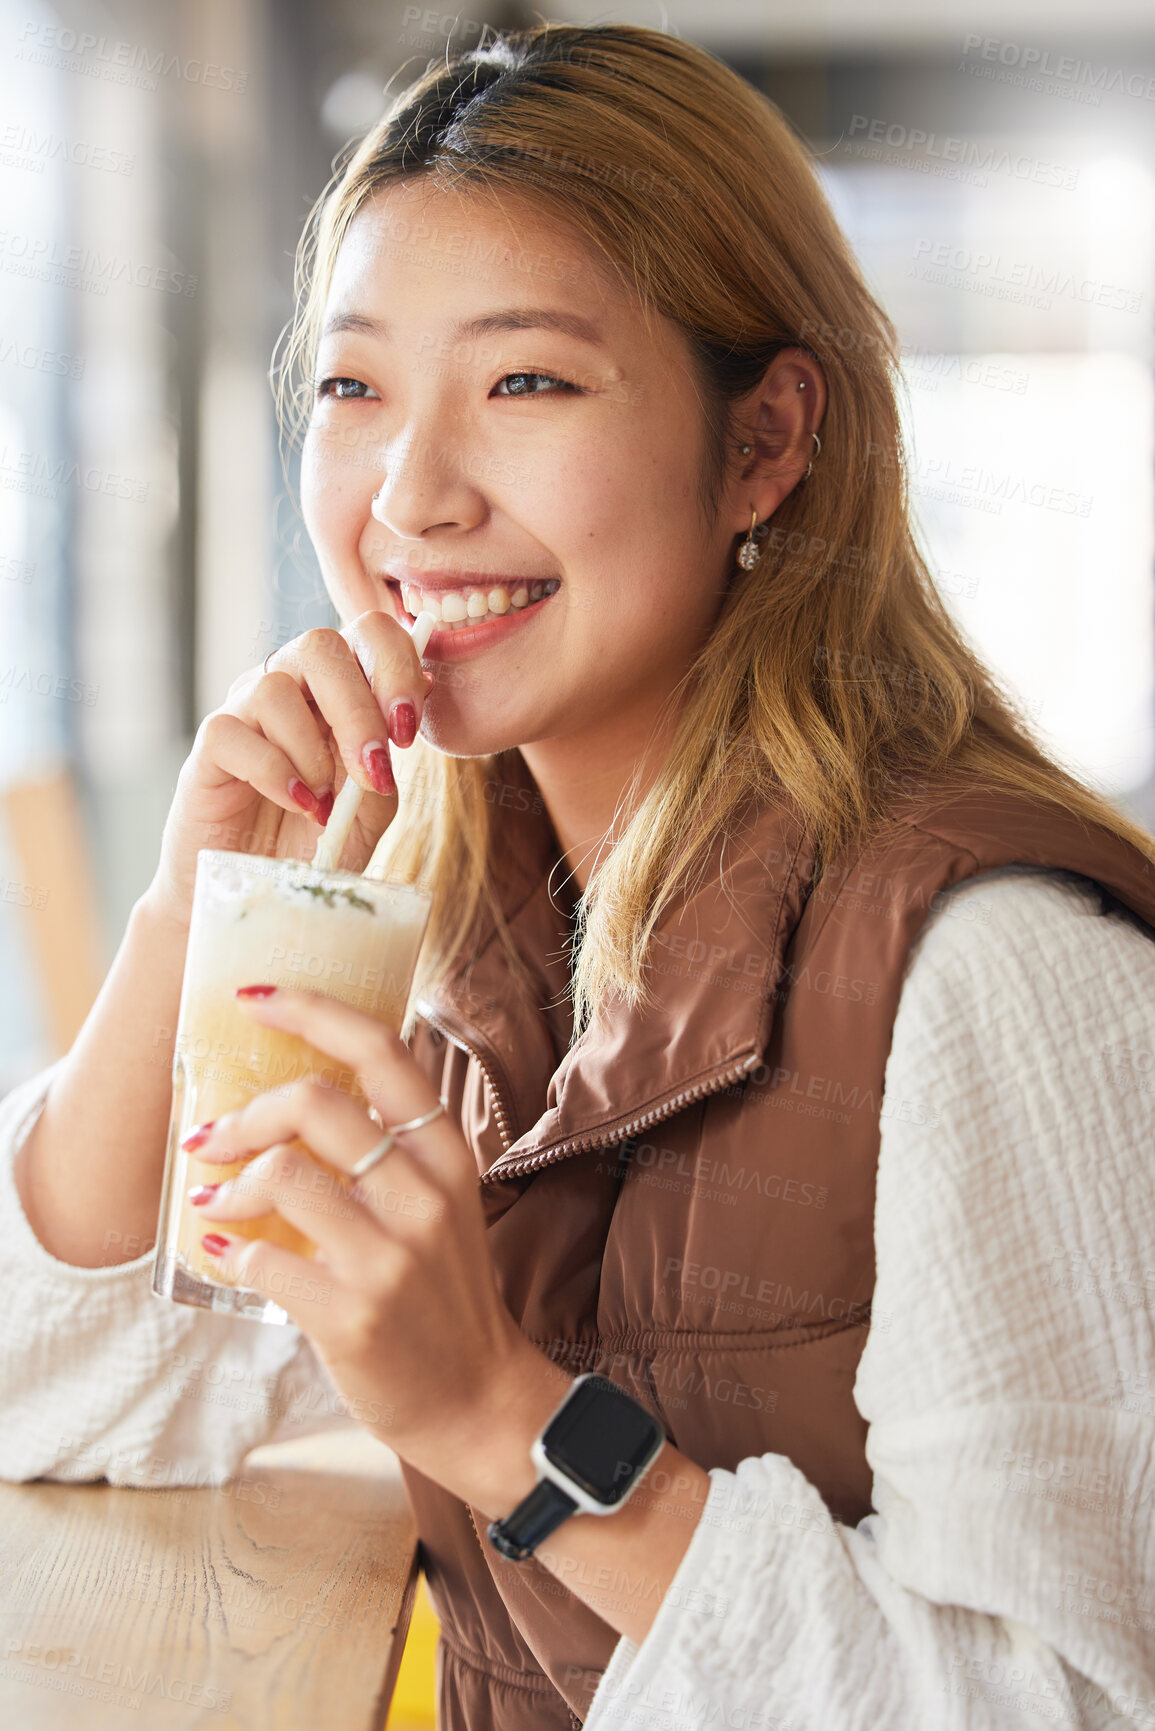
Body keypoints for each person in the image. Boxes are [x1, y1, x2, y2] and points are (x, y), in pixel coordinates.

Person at [2, 21, 1154, 1729]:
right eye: (353, 387)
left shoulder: (997, 966)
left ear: (765, 442)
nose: (408, 495)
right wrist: (184, 923)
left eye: (524, 381)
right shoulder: (456, 918)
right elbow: (64, 1405)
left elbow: (1063, 1706)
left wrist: (495, 1417)